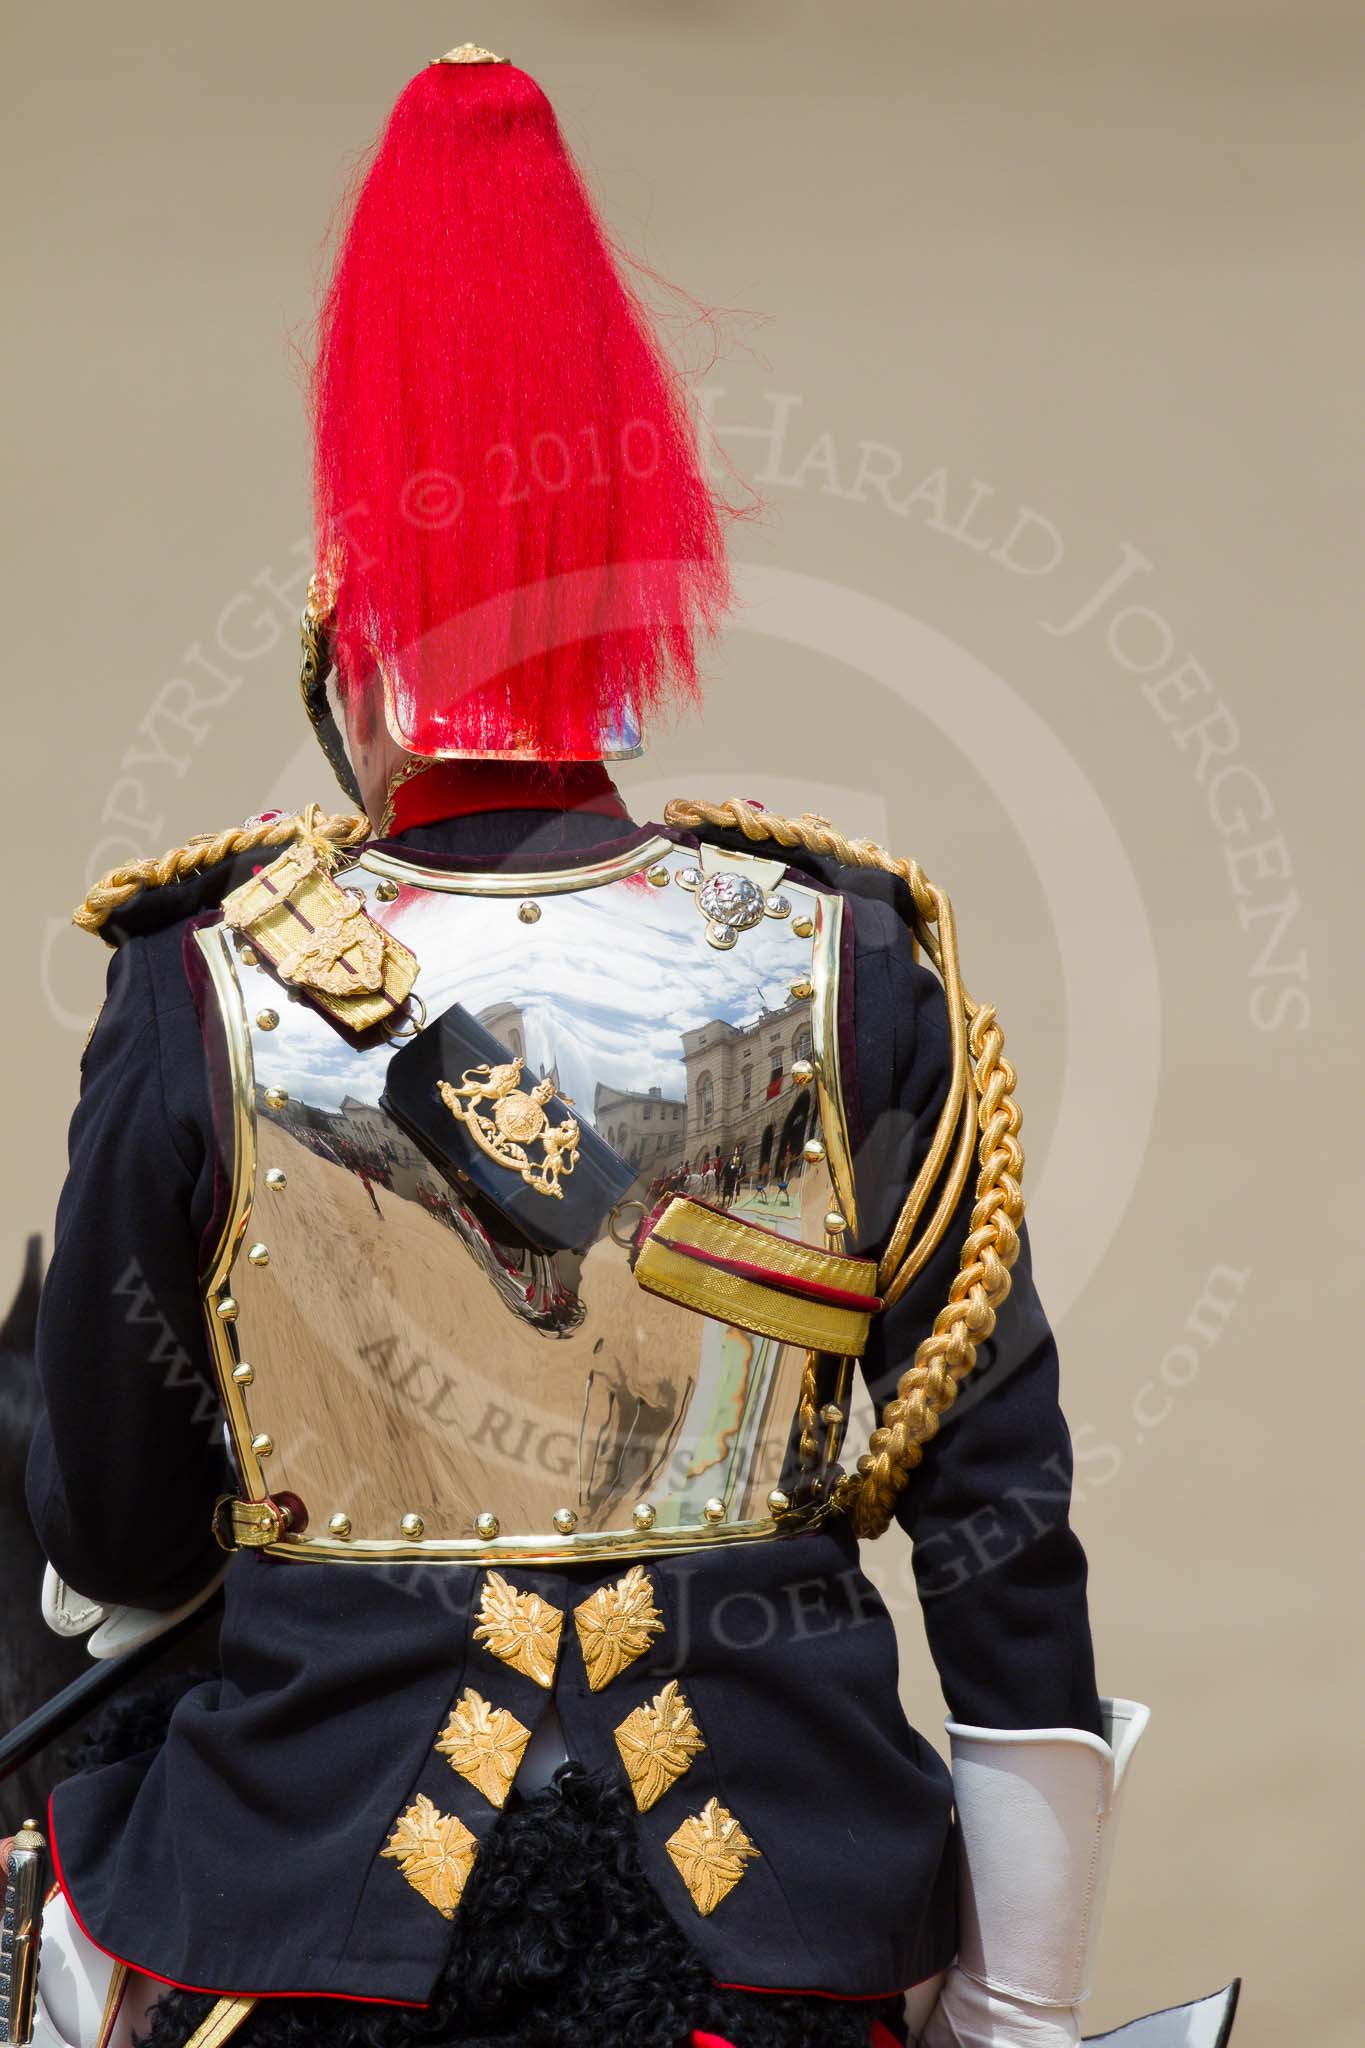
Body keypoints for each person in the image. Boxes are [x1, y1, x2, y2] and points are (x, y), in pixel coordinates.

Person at [7, 44, 1237, 2048]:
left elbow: (114, 1531)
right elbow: (999, 1534)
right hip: (784, 1922)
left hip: (304, 1920)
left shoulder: (202, 977)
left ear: (356, 628)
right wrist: (1013, 2015)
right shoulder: (844, 958)